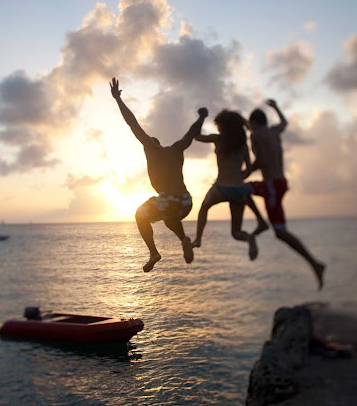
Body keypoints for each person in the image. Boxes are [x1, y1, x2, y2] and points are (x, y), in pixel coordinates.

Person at [109, 77, 207, 273]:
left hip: (170, 200)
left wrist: (118, 100)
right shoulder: (176, 149)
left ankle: (153, 252)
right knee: (168, 217)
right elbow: (190, 133)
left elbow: (132, 123)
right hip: (186, 202)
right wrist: (202, 117)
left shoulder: (150, 148)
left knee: (140, 214)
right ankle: (183, 239)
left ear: (151, 146)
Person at [244, 99, 326, 289]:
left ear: (254, 123)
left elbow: (261, 161)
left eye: (250, 126)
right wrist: (276, 108)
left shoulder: (256, 136)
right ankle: (315, 264)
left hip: (271, 185)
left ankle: (260, 223)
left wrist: (246, 171)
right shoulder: (273, 132)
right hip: (280, 183)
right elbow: (284, 123)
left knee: (241, 189)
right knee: (281, 233)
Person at [192, 110, 268, 260]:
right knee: (236, 233)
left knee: (204, 207)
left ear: (224, 126)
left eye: (218, 126)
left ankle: (198, 239)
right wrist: (241, 176)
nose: (218, 128)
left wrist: (202, 117)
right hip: (239, 190)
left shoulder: (218, 139)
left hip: (221, 188)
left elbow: (196, 136)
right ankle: (250, 239)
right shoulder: (243, 146)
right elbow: (250, 168)